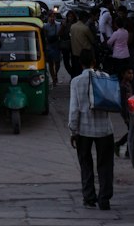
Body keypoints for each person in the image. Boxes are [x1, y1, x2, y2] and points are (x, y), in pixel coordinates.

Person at [68, 50, 115, 211]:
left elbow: (74, 109)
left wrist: (73, 130)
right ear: (94, 62)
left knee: (86, 163)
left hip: (84, 130)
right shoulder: (105, 77)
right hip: (105, 129)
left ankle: (89, 198)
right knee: (105, 164)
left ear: (81, 63)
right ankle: (105, 198)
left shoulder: (76, 82)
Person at [42, 14, 62, 86]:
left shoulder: (59, 25)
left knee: (57, 62)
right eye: (50, 17)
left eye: (53, 17)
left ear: (55, 17)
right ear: (48, 18)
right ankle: (54, 78)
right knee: (50, 63)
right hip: (49, 45)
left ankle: (56, 74)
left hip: (56, 45)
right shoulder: (45, 26)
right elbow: (44, 36)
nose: (52, 18)